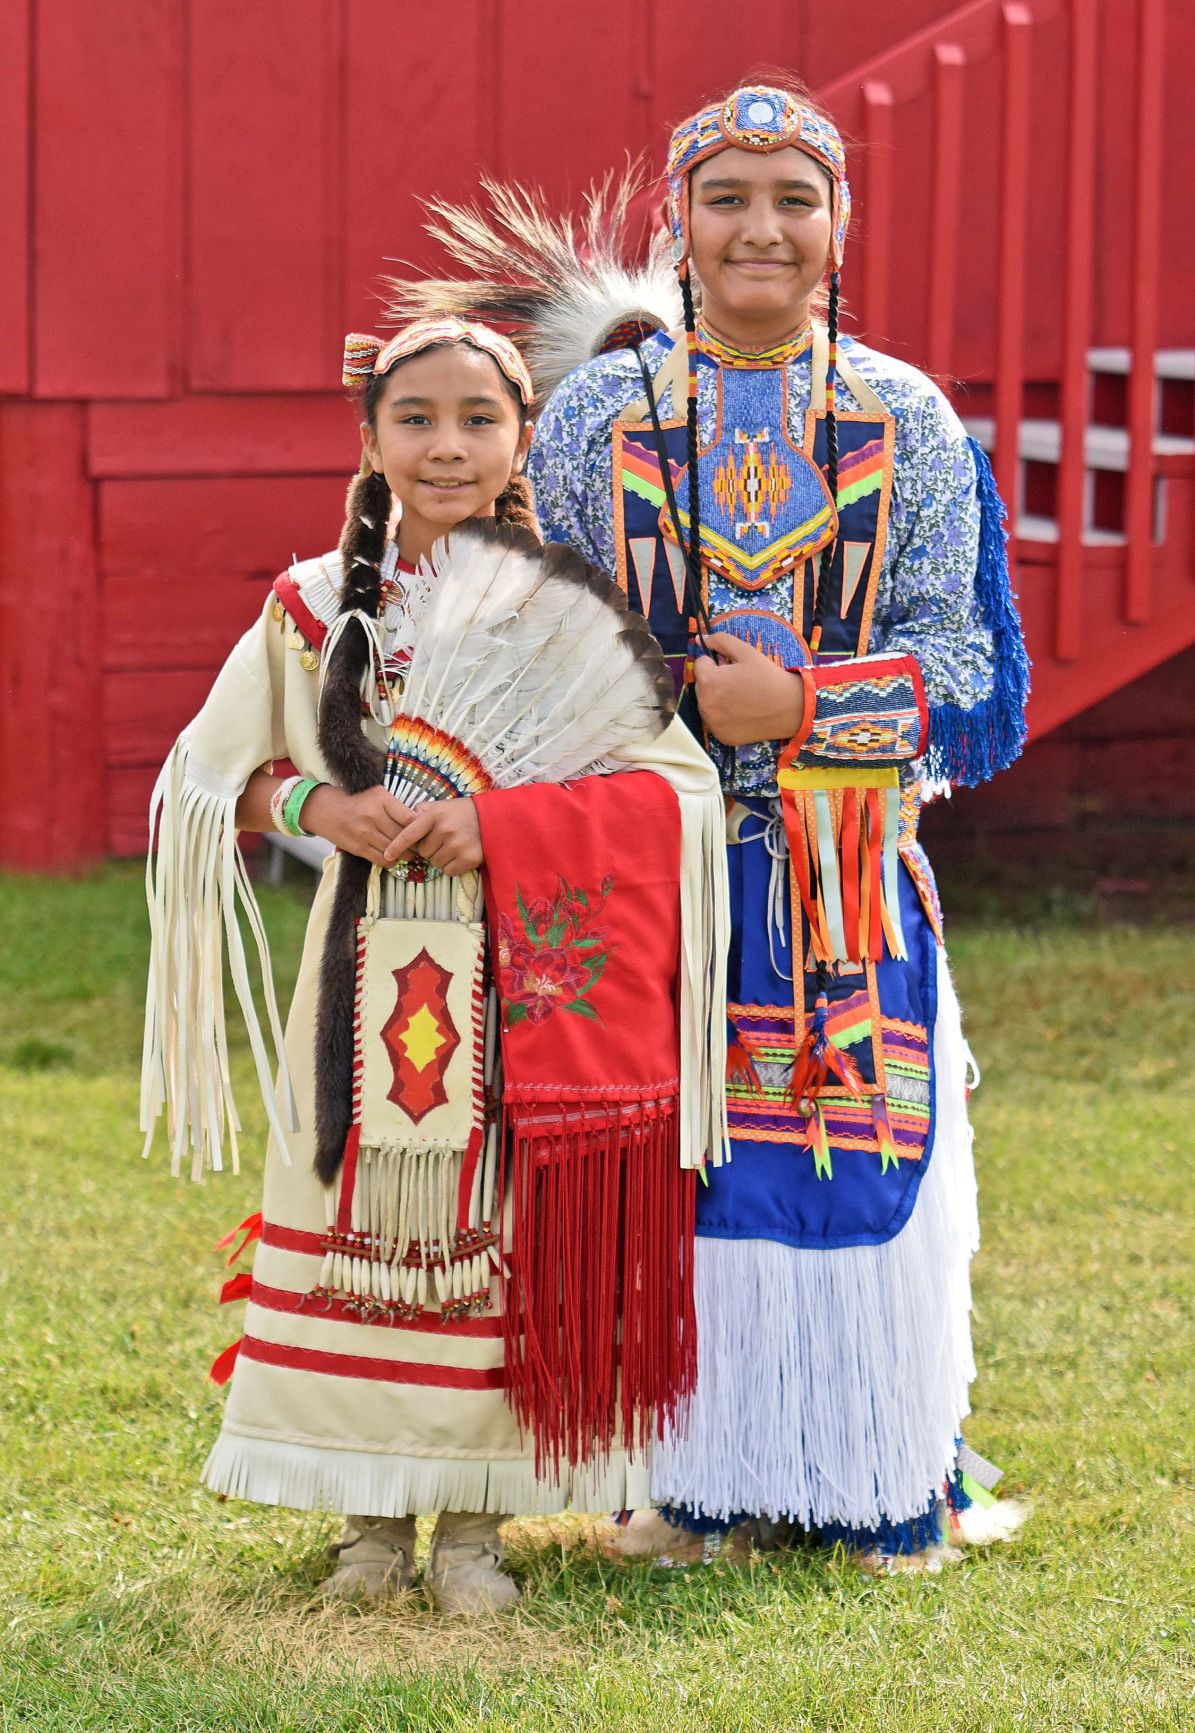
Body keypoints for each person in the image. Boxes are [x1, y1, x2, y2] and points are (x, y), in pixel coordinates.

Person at [389, 80, 1030, 1569]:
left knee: (843, 1162)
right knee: (669, 1174)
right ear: (678, 219)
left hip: (839, 873)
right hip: (646, 868)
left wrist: (801, 706)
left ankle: (879, 1480)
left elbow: (975, 678)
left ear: (838, 227)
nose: (761, 226)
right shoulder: (600, 420)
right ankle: (695, 1481)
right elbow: (532, 632)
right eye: (728, 195)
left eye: (792, 197)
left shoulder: (907, 420)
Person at [141, 316, 727, 1611]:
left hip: (510, 982)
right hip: (358, 988)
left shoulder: (567, 611)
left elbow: (677, 793)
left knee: (490, 1236)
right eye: (416, 417)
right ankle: (363, 1521)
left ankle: (470, 1527)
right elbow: (203, 775)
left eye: (478, 418)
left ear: (522, 437)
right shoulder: (308, 611)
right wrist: (310, 808)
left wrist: (503, 823)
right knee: (343, 1218)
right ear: (368, 439)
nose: (447, 445)